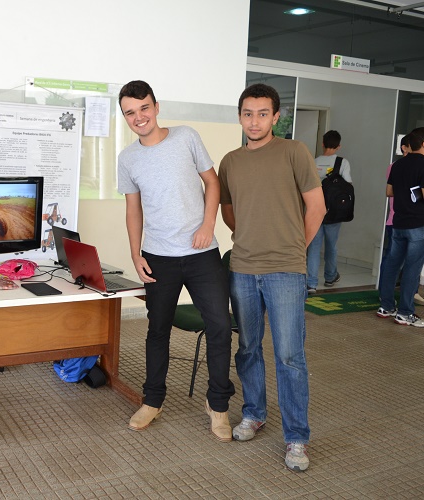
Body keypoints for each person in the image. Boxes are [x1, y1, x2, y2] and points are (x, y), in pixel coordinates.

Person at [116, 80, 235, 442]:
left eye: (144, 108)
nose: (139, 117)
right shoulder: (128, 158)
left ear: (156, 106)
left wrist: (207, 225)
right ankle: (153, 400)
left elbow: (212, 184)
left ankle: (218, 405)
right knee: (157, 330)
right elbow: (133, 209)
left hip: (202, 254)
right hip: (158, 257)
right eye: (130, 113)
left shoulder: (186, 136)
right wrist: (135, 254)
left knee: (219, 326)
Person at [218, 83, 325, 472]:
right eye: (248, 113)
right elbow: (228, 211)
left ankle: (297, 437)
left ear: (276, 117)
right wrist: (246, 233)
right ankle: (254, 412)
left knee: (289, 355)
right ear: (240, 116)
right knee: (247, 348)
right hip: (243, 268)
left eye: (263, 113)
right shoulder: (230, 160)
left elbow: (317, 207)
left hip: (285, 271)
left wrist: (296, 247)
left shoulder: (294, 152)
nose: (255, 120)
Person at [377, 128, 424, 326]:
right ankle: (405, 312)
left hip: (398, 223)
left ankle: (386, 306)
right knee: (412, 269)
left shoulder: (398, 165)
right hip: (417, 223)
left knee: (392, 265)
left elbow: (389, 192)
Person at [306, 130, 352, 293]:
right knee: (332, 246)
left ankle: (311, 283)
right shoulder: (342, 162)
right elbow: (348, 185)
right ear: (338, 146)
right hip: (334, 211)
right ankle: (330, 277)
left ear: (323, 144)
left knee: (313, 246)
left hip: (314, 209)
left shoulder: (313, 161)